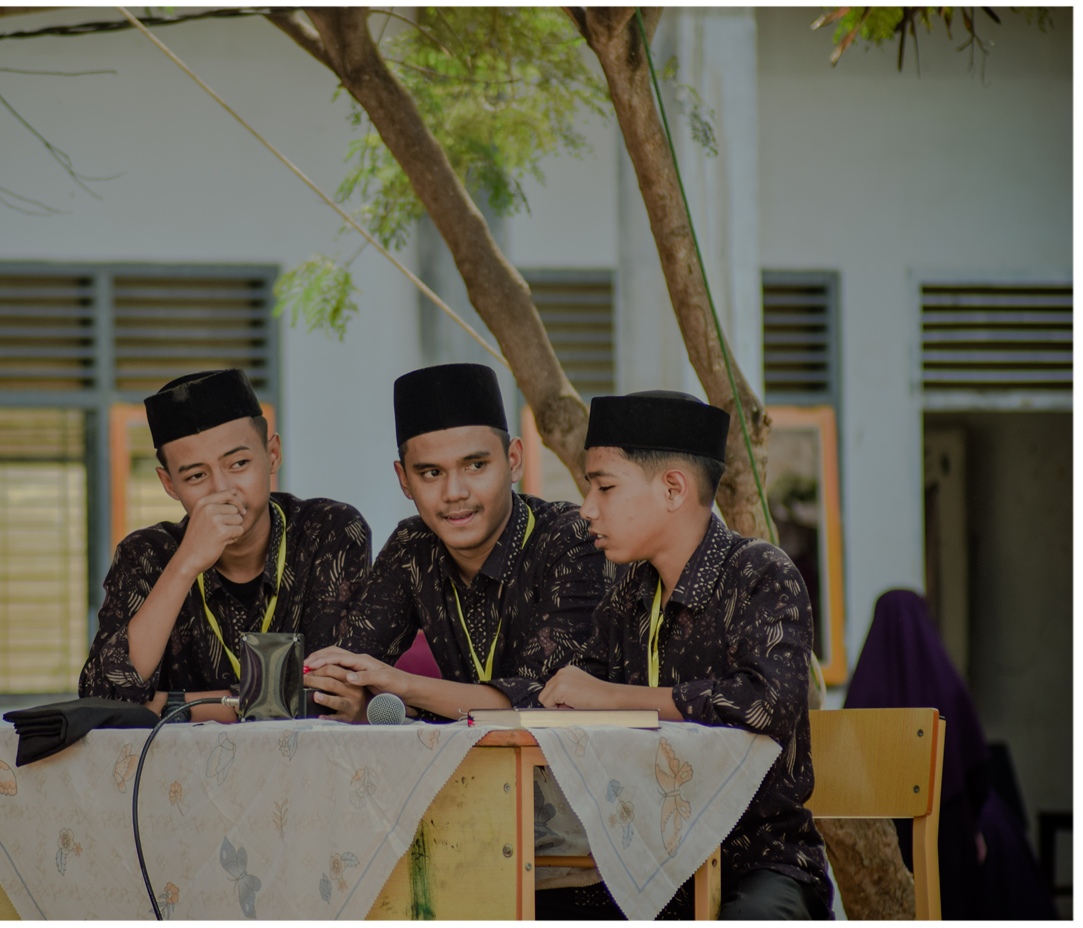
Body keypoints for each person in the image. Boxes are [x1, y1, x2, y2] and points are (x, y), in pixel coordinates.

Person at [538, 390, 832, 919]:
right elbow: (572, 691)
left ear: (674, 488)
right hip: (641, 858)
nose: (587, 508)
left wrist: (612, 697)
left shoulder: (760, 573)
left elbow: (764, 704)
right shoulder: (627, 593)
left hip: (756, 859)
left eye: (605, 486)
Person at [305, 362, 611, 723]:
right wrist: (353, 695)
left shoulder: (572, 539)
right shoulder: (412, 545)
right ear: (404, 480)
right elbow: (350, 669)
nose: (454, 493)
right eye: (431, 473)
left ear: (514, 460)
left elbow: (548, 702)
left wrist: (406, 688)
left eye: (475, 466)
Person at [79, 368, 372, 721]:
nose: (222, 490)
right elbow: (105, 701)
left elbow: (329, 695)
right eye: (196, 476)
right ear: (169, 484)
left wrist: (173, 706)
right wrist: (185, 564)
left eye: (239, 464)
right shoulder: (145, 554)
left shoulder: (329, 531)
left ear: (273, 454)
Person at [845, 589, 1057, 920]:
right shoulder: (947, 685)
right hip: (947, 831)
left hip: (883, 841)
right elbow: (976, 767)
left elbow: (848, 774)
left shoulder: (862, 695)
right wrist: (972, 823)